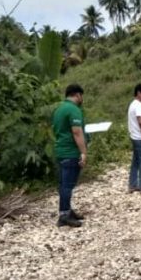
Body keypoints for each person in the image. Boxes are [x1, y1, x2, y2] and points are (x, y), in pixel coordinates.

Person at [52, 84, 88, 227]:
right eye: (81, 96)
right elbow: (77, 132)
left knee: (64, 184)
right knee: (68, 185)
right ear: (77, 95)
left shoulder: (59, 109)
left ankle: (67, 210)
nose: (82, 99)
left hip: (60, 150)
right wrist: (83, 152)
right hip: (70, 152)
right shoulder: (74, 110)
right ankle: (64, 214)